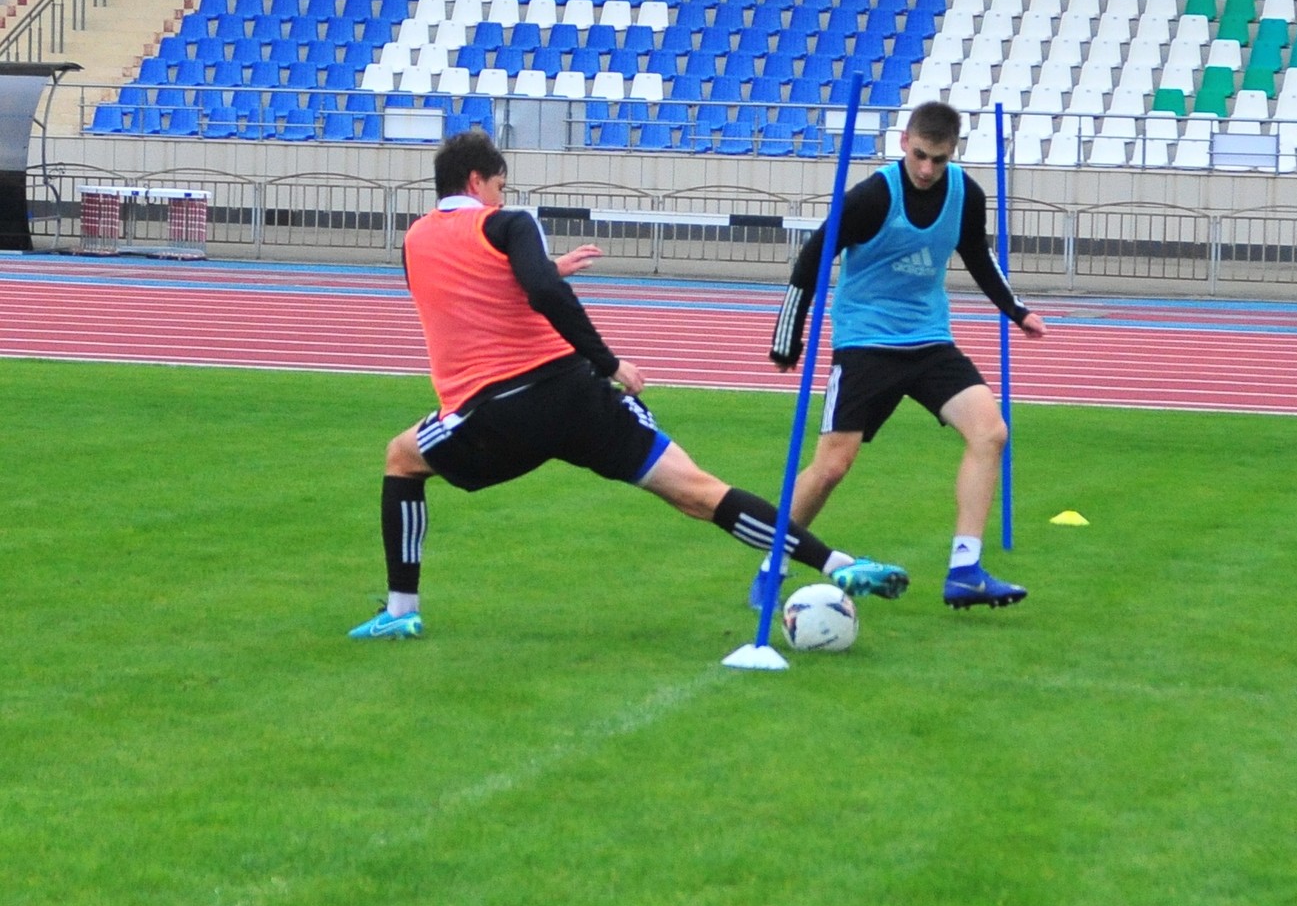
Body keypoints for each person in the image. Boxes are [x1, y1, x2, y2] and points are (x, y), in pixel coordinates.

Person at [349, 130, 908, 639]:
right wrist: (609, 362)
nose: (501, 193)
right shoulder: (508, 223)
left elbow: (467, 293)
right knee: (700, 492)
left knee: (402, 458)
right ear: (477, 181)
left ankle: (401, 612)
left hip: (498, 413)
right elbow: (537, 291)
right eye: (499, 184)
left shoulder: (415, 241)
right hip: (577, 396)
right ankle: (841, 564)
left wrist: (545, 273)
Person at [752, 101, 1047, 612]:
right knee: (831, 467)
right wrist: (788, 337)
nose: (927, 169)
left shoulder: (964, 194)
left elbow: (977, 254)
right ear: (903, 140)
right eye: (919, 155)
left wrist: (1016, 311)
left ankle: (965, 570)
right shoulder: (873, 196)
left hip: (929, 339)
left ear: (954, 151)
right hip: (866, 342)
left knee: (991, 432)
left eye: (938, 158)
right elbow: (811, 259)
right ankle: (771, 565)